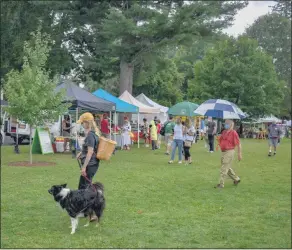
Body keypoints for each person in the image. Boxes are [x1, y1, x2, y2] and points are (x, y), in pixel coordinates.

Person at [215, 119, 242, 188]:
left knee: (224, 168)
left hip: (229, 151)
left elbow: (239, 144)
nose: (225, 125)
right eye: (225, 123)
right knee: (227, 167)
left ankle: (221, 184)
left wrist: (239, 154)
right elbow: (220, 140)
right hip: (223, 152)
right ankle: (236, 179)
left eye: (227, 124)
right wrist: (218, 140)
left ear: (231, 125)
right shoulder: (224, 132)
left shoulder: (233, 133)